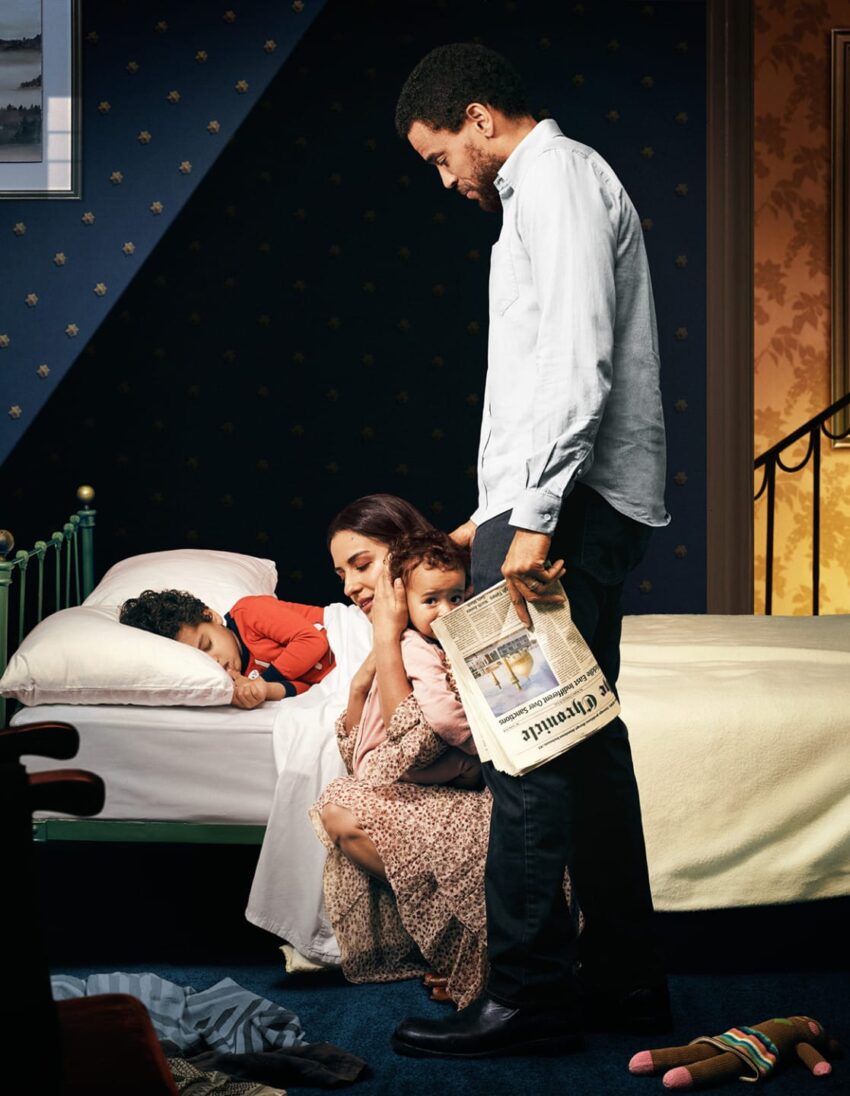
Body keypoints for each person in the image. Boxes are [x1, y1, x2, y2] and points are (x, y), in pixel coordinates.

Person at [391, 43, 671, 1059]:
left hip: (570, 504)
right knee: (587, 748)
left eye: (438, 157)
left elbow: (572, 359)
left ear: (476, 117)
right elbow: (547, 368)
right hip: (565, 497)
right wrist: (493, 511)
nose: (446, 178)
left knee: (527, 748)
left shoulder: (548, 177)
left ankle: (527, 995)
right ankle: (628, 984)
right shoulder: (558, 183)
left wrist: (534, 515)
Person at [310, 496, 494, 1008]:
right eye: (341, 572)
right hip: (429, 780)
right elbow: (364, 750)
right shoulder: (400, 634)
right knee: (339, 809)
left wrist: (389, 638)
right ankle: (468, 951)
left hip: (467, 788)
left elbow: (416, 736)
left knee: (343, 812)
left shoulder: (433, 628)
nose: (349, 586)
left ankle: (485, 954)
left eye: (362, 564)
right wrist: (360, 680)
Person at [344, 529, 482, 789]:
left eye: (455, 598)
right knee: (471, 764)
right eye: (431, 600)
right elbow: (443, 715)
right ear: (403, 599)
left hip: (387, 763)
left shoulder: (431, 638)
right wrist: (482, 745)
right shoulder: (414, 646)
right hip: (386, 766)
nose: (447, 611)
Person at [119, 589, 335, 708]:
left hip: (350, 637)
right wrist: (265, 692)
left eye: (207, 645)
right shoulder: (237, 677)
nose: (215, 661)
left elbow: (311, 641)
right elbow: (308, 687)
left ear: (211, 615)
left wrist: (261, 681)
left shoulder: (249, 612)